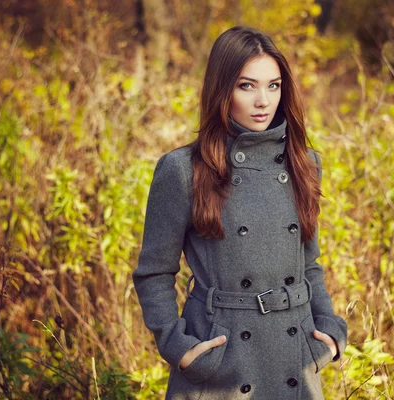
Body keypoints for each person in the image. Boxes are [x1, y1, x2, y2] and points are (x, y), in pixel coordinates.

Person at [132, 25, 348, 399]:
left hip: (294, 360)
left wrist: (329, 331)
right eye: (247, 86)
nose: (263, 100)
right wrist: (179, 349)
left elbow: (308, 264)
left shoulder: (304, 163)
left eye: (274, 85)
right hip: (221, 365)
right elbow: (154, 272)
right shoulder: (184, 169)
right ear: (222, 90)